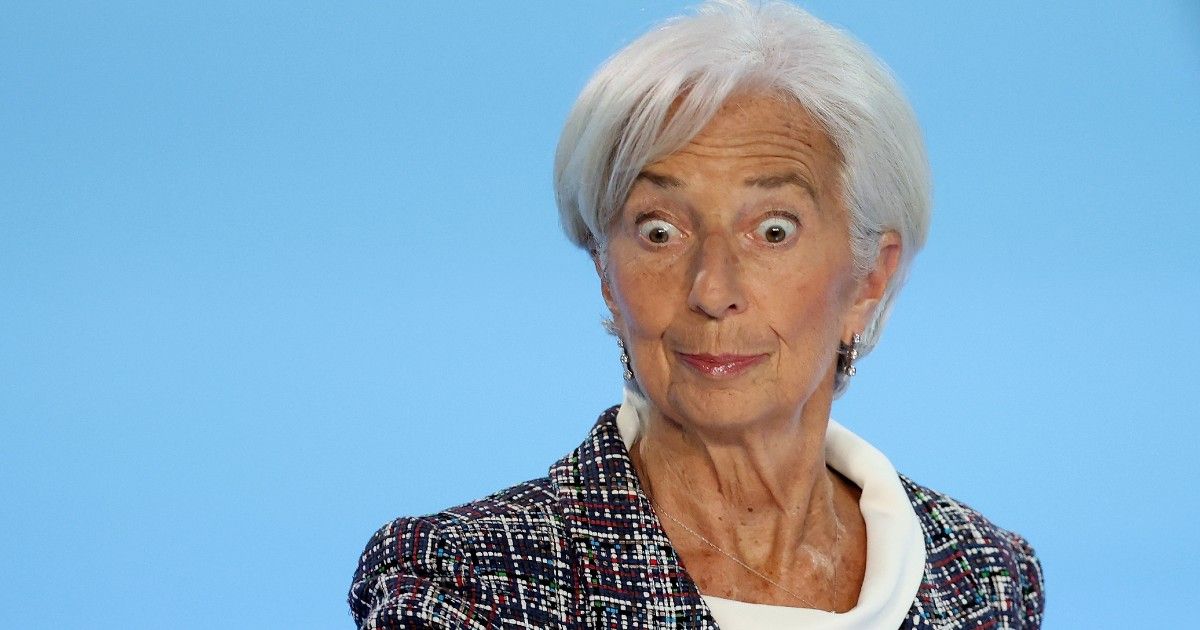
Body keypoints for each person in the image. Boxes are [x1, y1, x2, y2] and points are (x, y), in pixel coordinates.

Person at [348, 1, 1045, 628]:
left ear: (869, 277)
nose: (712, 290)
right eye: (659, 232)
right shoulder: (469, 584)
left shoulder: (982, 579)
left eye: (773, 231)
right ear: (606, 273)